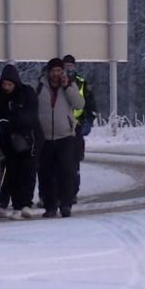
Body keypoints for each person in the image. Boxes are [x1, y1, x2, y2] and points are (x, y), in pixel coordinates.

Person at [36, 58, 84, 218]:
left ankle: (66, 204)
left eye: (59, 71)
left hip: (65, 136)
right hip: (46, 137)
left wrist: (68, 87)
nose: (56, 74)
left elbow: (79, 104)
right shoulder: (40, 87)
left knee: (67, 171)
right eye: (53, 71)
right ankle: (50, 206)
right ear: (48, 72)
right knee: (46, 174)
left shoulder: (70, 85)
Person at [0, 64, 39, 219]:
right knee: (11, 172)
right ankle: (16, 203)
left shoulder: (27, 93)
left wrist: (16, 119)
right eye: (4, 84)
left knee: (27, 172)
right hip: (8, 141)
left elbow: (31, 115)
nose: (6, 87)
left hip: (27, 139)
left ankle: (25, 203)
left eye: (9, 84)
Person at [63, 55, 96, 201]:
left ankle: (72, 193)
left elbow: (90, 103)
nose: (68, 68)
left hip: (77, 126)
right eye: (66, 65)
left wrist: (89, 120)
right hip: (60, 126)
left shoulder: (82, 83)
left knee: (74, 161)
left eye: (71, 65)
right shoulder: (57, 83)